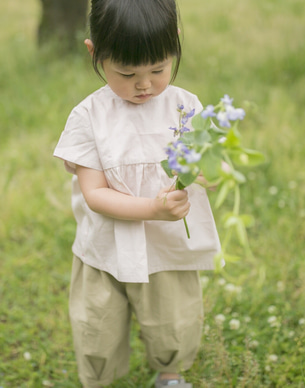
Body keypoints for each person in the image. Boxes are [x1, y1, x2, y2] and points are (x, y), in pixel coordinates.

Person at [53, 0, 220, 386]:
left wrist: (211, 173)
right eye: (126, 73)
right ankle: (100, 378)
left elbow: (210, 168)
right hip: (105, 249)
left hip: (167, 246)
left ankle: (170, 373)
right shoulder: (89, 116)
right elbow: (94, 193)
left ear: (175, 44)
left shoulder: (185, 108)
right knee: (98, 323)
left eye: (158, 69)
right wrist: (152, 208)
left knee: (172, 318)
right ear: (95, 52)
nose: (144, 84)